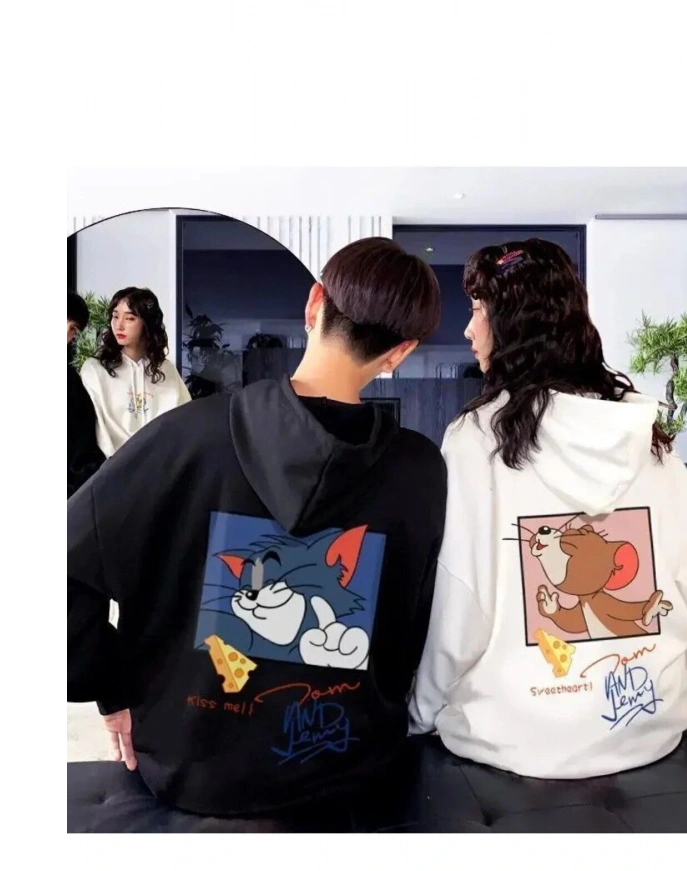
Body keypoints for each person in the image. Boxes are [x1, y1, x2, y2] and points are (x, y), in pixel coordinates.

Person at [65, 237, 446, 816]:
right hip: (354, 770)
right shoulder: (420, 472)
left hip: (191, 769)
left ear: (313, 304)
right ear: (401, 353)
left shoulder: (185, 437)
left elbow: (64, 561)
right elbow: (412, 632)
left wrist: (108, 687)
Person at [409, 238, 687, 779]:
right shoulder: (641, 433)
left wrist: (419, 712)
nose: (468, 330)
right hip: (644, 729)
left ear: (512, 324)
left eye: (478, 309)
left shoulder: (477, 439)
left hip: (508, 738)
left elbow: (460, 602)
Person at [80, 287, 191, 457]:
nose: (119, 325)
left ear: (147, 323)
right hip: (112, 465)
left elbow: (185, 419)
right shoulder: (95, 369)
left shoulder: (165, 369)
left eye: (130, 318)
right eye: (115, 316)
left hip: (160, 464)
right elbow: (94, 431)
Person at [65, 292, 105, 498]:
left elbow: (80, 436)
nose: (67, 336)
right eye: (70, 327)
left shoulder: (69, 378)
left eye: (73, 330)